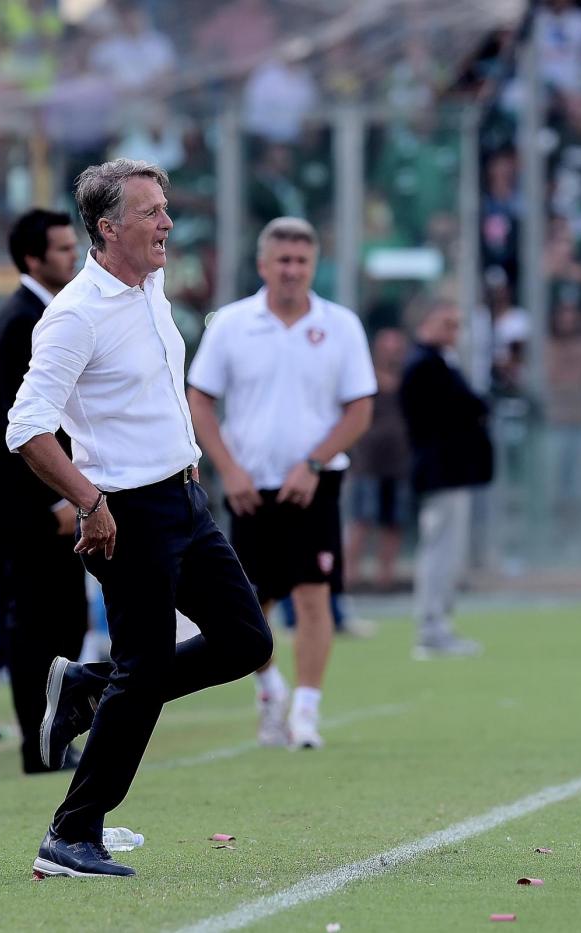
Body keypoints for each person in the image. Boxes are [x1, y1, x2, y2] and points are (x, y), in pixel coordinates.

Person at [8, 160, 273, 878]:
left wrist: (186, 459)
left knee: (246, 640)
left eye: (164, 208)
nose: (167, 223)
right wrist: (90, 503)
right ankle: (71, 832)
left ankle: (90, 685)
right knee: (147, 670)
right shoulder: (74, 315)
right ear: (108, 227)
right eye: (151, 212)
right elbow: (26, 427)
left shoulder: (148, 284)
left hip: (184, 501)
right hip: (126, 515)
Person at [186, 217, 375, 751]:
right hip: (250, 487)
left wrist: (313, 464)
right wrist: (229, 468)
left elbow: (360, 409)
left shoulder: (340, 325)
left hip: (315, 485)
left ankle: (306, 713)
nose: (292, 270)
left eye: (301, 261)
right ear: (263, 265)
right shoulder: (232, 324)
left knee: (314, 596)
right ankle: (270, 690)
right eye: (283, 260)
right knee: (249, 605)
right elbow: (200, 400)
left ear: (314, 266)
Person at [0, 208, 91, 774]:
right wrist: (59, 498)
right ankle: (39, 744)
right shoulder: (20, 322)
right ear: (32, 258)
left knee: (65, 620)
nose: (73, 255)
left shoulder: (45, 313)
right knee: (37, 625)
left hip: (53, 498)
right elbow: (22, 424)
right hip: (32, 506)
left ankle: (55, 736)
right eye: (62, 248)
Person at [399, 298, 492, 658]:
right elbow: (455, 410)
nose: (454, 332)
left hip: (451, 471)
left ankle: (439, 623)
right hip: (440, 471)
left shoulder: (440, 361)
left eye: (457, 324)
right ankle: (431, 627)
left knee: (448, 549)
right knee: (439, 549)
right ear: (426, 324)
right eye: (447, 324)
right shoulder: (425, 365)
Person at [343, 328, 410, 593]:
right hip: (367, 463)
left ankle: (386, 578)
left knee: (393, 522)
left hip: (399, 463)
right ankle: (350, 577)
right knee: (362, 520)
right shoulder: (364, 378)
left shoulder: (408, 380)